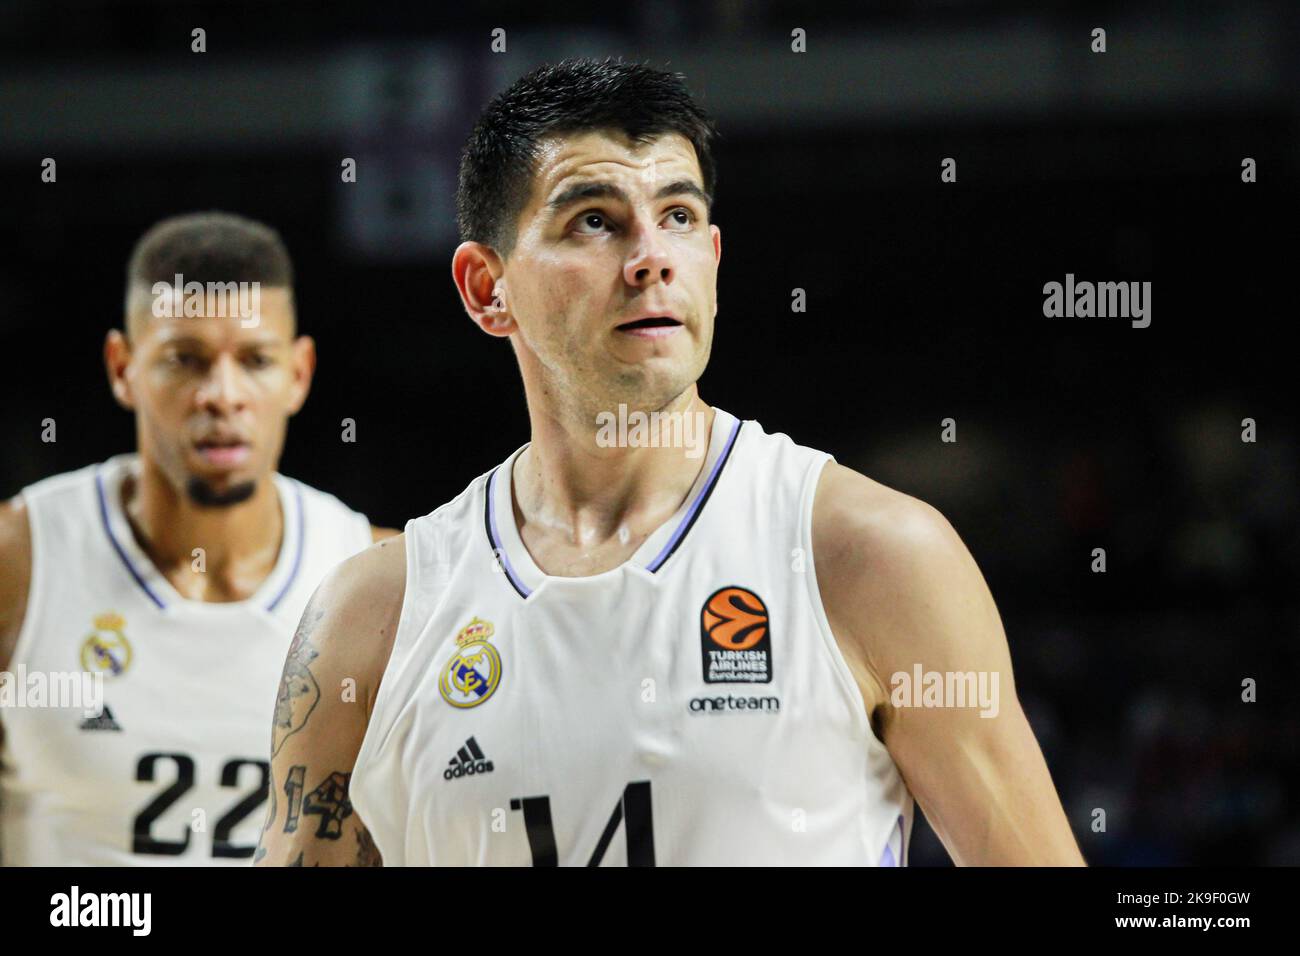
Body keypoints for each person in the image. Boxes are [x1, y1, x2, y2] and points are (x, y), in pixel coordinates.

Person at [257, 58, 1084, 866]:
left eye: (679, 217)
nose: (652, 256)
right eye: (593, 220)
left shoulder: (872, 557)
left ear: (714, 264)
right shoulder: (373, 615)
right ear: (486, 288)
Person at [0, 211, 394, 865]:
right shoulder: (21, 559)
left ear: (298, 374)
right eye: (185, 360)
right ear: (122, 368)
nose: (222, 395)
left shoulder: (374, 578)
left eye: (255, 361)